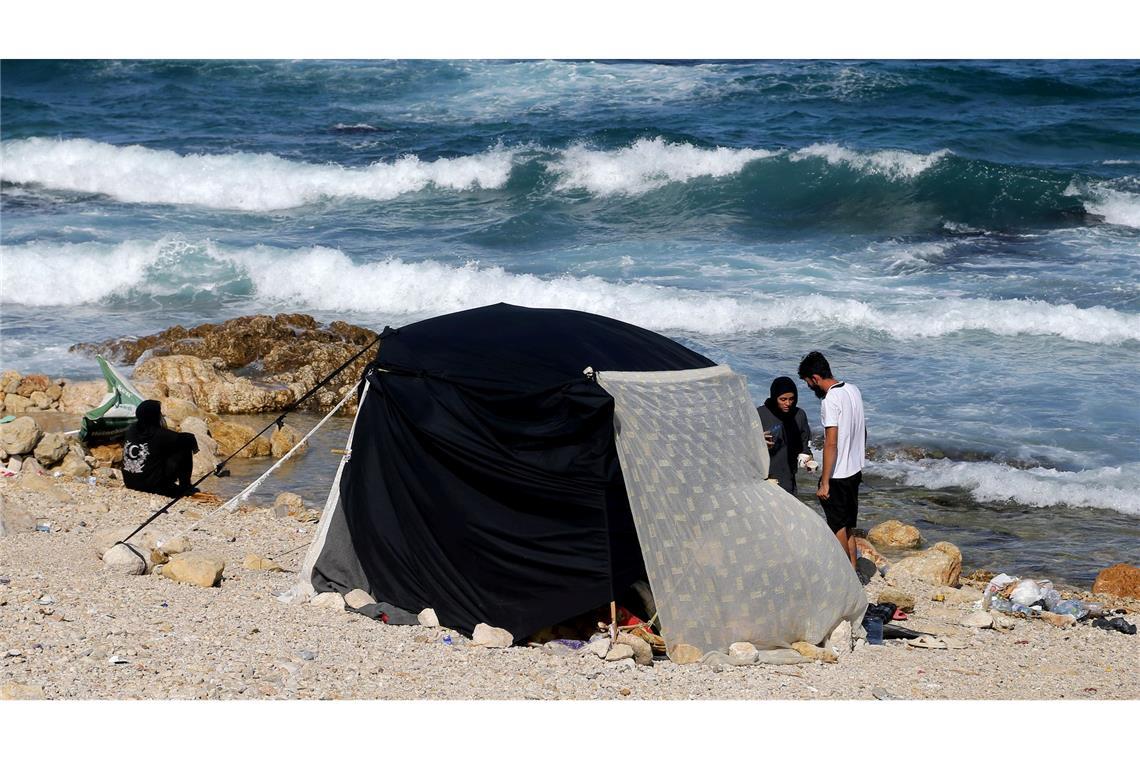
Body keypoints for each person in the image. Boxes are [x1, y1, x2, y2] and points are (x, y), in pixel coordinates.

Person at [797, 351, 865, 570]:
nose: (809, 387)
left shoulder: (830, 400)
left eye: (808, 383)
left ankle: (846, 573)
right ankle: (854, 571)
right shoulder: (853, 390)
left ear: (815, 378)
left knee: (837, 527)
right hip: (855, 470)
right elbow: (862, 430)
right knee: (848, 526)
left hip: (838, 474)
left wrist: (824, 481)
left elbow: (831, 443)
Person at [121, 399, 199, 497]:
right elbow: (188, 438)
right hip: (152, 486)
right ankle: (185, 485)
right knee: (184, 446)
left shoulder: (131, 430)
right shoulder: (160, 434)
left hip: (130, 483)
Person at [756, 376, 815, 495]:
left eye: (791, 399)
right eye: (783, 399)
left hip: (788, 479)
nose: (788, 403)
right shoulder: (759, 415)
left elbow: (804, 447)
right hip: (764, 479)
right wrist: (757, 441)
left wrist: (808, 459)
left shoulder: (799, 415)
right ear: (774, 398)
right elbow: (744, 448)